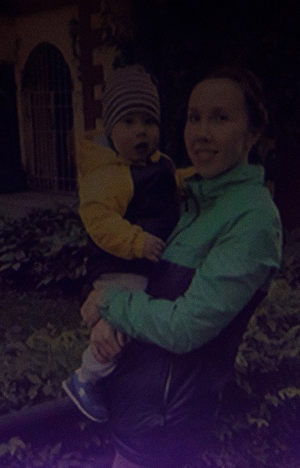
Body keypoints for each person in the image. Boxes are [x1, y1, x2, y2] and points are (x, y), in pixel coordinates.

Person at [84, 67, 285, 468]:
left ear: (252, 130)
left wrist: (110, 305)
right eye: (194, 116)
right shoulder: (198, 199)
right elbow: (154, 287)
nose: (201, 131)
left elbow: (188, 325)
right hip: (151, 397)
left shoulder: (251, 219)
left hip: (166, 411)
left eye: (220, 117)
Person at [61, 64, 180, 423]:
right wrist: (136, 242)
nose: (140, 130)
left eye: (149, 121)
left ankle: (109, 376)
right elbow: (99, 220)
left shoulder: (160, 164)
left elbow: (174, 186)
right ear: (111, 128)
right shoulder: (108, 175)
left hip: (141, 265)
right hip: (118, 266)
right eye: (128, 121)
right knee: (118, 326)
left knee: (136, 327)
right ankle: (86, 377)